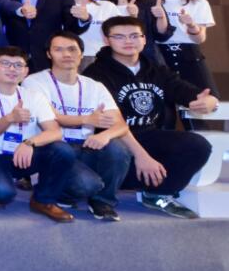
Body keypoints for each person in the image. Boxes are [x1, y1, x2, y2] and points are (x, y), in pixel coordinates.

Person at [85, 16, 217, 218]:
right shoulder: (95, 74)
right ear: (106, 40)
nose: (128, 41)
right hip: (112, 140)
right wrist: (142, 156)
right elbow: (112, 123)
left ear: (144, 39)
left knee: (198, 145)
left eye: (134, 36)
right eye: (119, 36)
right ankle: (106, 191)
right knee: (116, 154)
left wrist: (209, 102)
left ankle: (157, 193)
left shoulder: (156, 70)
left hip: (149, 135)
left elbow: (191, 93)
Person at [24, 32, 133, 221]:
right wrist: (87, 119)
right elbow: (51, 118)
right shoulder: (34, 81)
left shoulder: (95, 86)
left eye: (72, 49)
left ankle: (102, 202)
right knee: (87, 185)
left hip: (85, 146)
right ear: (49, 54)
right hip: (53, 149)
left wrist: (105, 135)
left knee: (118, 148)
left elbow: (121, 125)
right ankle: (58, 193)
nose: (67, 54)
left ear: (81, 54)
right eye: (59, 49)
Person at [0, 47, 79, 222]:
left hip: (25, 155)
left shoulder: (34, 96)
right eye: (5, 63)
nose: (12, 69)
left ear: (25, 71)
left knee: (63, 151)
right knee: (2, 193)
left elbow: (55, 131)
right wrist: (9, 118)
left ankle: (43, 201)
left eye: (18, 65)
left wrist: (29, 142)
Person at [148, 0, 219, 94]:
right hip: (156, 57)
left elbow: (199, 39)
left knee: (205, 99)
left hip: (190, 56)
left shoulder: (197, 2)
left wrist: (191, 25)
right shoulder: (144, 0)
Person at [99, 0, 172, 64]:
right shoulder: (99, 6)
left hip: (147, 60)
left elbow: (163, 36)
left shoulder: (149, 3)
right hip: (110, 61)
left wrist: (161, 17)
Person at [63, 0, 123, 65]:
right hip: (70, 58)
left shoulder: (107, 6)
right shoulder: (60, 6)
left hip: (103, 57)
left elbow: (120, 32)